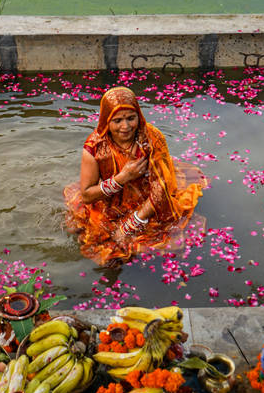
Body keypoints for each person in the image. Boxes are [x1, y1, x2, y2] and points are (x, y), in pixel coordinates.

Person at [64, 86, 206, 266]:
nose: (126, 127)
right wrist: (122, 178)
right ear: (106, 121)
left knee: (138, 244)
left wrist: (130, 225)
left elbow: (161, 187)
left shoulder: (152, 138)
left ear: (139, 116)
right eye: (117, 121)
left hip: (148, 200)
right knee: (91, 242)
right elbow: (86, 194)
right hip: (109, 200)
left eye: (131, 118)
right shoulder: (95, 147)